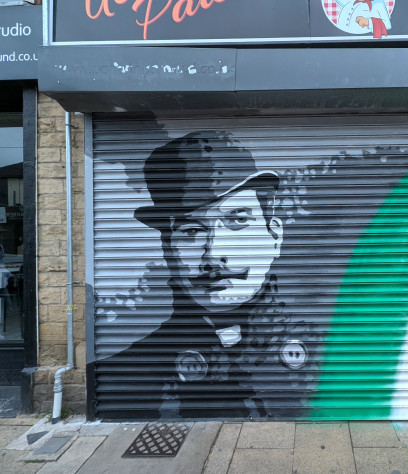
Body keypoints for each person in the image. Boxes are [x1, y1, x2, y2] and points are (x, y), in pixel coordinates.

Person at [100, 131, 314, 419]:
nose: (213, 254)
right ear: (167, 249)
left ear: (274, 235)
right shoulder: (121, 378)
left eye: (238, 220)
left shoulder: (339, 354)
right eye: (191, 231)